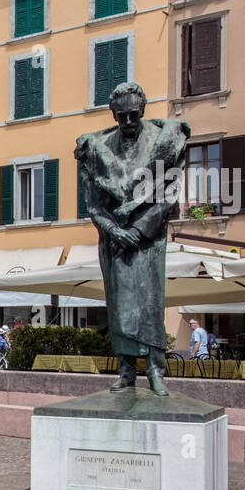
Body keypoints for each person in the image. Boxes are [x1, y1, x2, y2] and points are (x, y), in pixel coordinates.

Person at [75, 81, 190, 396]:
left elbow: (168, 195)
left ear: (143, 110)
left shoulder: (162, 143)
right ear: (112, 113)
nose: (127, 122)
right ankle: (126, 370)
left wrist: (137, 231)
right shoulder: (96, 149)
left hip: (148, 238)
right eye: (121, 116)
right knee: (119, 306)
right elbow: (93, 205)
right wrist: (114, 231)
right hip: (114, 238)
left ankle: (155, 370)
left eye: (133, 115)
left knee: (150, 305)